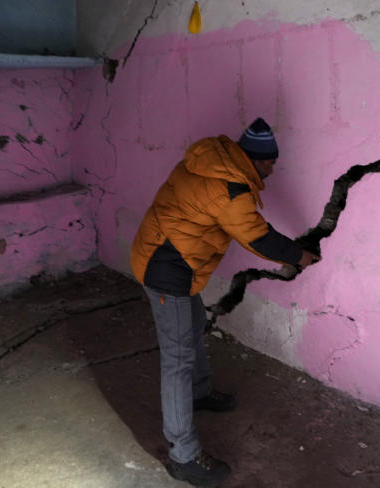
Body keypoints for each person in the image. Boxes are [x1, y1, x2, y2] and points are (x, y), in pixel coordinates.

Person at [130, 117, 320, 487]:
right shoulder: (230, 189)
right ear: (255, 159)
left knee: (194, 328)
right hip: (166, 269)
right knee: (177, 359)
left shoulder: (213, 162)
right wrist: (299, 256)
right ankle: (182, 455)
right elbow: (258, 237)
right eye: (271, 162)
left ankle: (200, 394)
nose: (273, 168)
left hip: (176, 259)